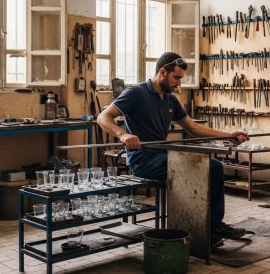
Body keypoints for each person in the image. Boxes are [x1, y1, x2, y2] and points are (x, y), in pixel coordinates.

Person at [97, 52, 249, 246]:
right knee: (210, 168)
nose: (179, 83)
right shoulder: (136, 93)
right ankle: (204, 230)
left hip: (163, 155)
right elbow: (103, 117)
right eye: (176, 77)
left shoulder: (170, 100)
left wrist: (229, 135)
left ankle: (208, 228)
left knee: (216, 166)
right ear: (162, 72)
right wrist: (123, 135)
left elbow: (193, 128)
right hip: (143, 161)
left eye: (181, 79)